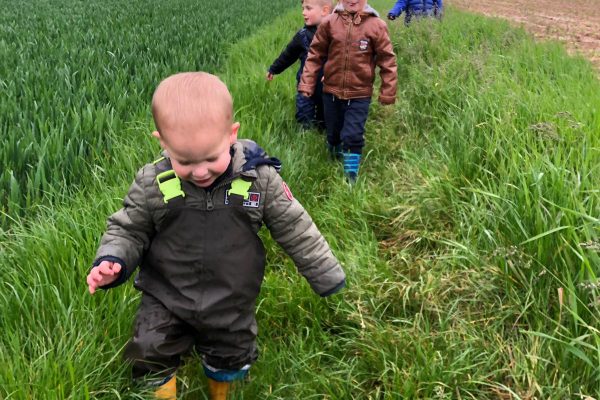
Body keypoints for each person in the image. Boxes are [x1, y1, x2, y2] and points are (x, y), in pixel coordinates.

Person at [86, 72, 346, 400]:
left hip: (231, 296)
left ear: (231, 134)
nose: (200, 171)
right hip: (166, 294)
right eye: (185, 161)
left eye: (211, 158)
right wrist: (113, 259)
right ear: (162, 142)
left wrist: (326, 275)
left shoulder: (258, 180)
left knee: (231, 352)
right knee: (149, 349)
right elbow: (128, 228)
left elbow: (296, 228)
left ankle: (222, 391)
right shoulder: (154, 183)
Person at [298, 0, 397, 183]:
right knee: (333, 132)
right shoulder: (329, 22)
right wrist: (307, 84)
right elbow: (315, 55)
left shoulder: (376, 25)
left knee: (352, 135)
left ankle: (351, 176)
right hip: (331, 91)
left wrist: (388, 90)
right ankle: (334, 148)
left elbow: (387, 60)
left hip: (360, 93)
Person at [266, 0, 334, 131]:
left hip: (327, 86)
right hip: (305, 84)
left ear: (325, 11)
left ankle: (322, 131)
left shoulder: (336, 34)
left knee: (324, 118)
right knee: (304, 113)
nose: (303, 12)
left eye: (308, 8)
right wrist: (274, 69)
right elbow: (288, 55)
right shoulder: (302, 35)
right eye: (302, 8)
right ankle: (305, 135)